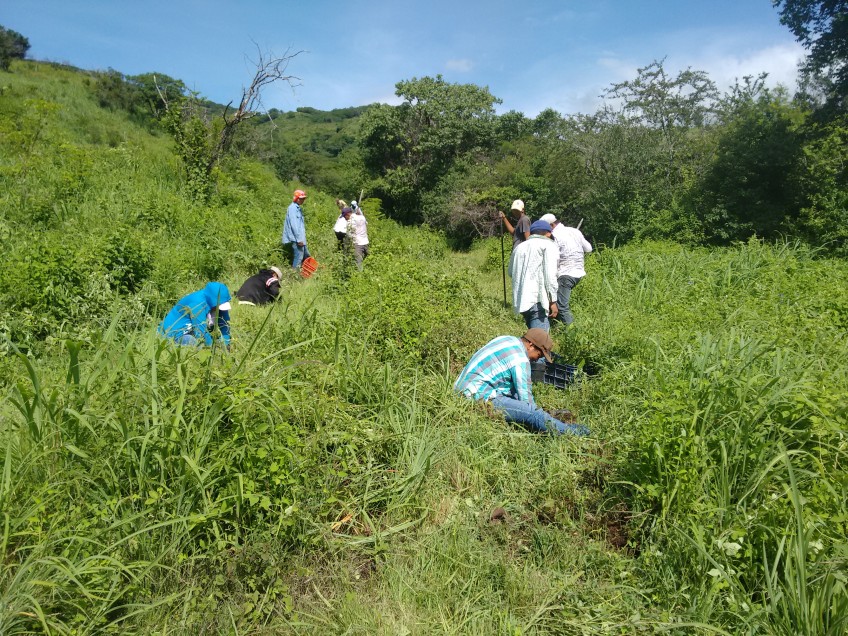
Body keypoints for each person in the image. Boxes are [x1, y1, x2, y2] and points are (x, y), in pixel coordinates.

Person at [454, 328, 589, 436]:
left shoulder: (507, 339)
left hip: (462, 390)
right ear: (531, 345)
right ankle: (572, 432)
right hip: (476, 399)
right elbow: (526, 400)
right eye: (540, 355)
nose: (537, 359)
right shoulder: (520, 360)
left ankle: (550, 419)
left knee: (519, 400)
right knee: (532, 412)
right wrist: (535, 412)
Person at [540, 213, 593, 326]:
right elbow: (588, 248)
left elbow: (554, 258)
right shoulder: (575, 231)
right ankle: (555, 326)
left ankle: (573, 334)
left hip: (565, 274)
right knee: (559, 301)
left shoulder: (554, 236)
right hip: (578, 273)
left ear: (552, 225)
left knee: (561, 305)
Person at [508, 220, 559, 331]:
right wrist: (553, 302)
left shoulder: (519, 247)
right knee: (540, 344)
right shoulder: (549, 245)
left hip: (521, 300)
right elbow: (550, 276)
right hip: (538, 300)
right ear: (549, 233)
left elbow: (511, 272)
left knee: (532, 340)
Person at [158, 282, 232, 348]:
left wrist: (226, 344)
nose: (221, 308)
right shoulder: (197, 303)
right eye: (219, 305)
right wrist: (213, 351)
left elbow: (225, 325)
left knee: (219, 341)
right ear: (213, 300)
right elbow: (200, 332)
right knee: (194, 342)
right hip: (174, 334)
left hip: (193, 331)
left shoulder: (218, 302)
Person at [282, 189, 309, 270]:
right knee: (298, 258)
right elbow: (294, 225)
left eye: (303, 198)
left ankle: (306, 273)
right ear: (296, 198)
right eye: (301, 198)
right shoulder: (293, 208)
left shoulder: (297, 208)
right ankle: (294, 275)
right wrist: (299, 239)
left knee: (306, 255)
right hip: (297, 238)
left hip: (300, 238)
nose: (303, 200)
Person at [348, 203, 370, 269]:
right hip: (365, 241)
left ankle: (359, 277)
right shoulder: (362, 217)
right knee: (368, 256)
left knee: (358, 262)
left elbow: (349, 231)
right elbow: (366, 223)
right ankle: (368, 268)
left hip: (358, 243)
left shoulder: (351, 218)